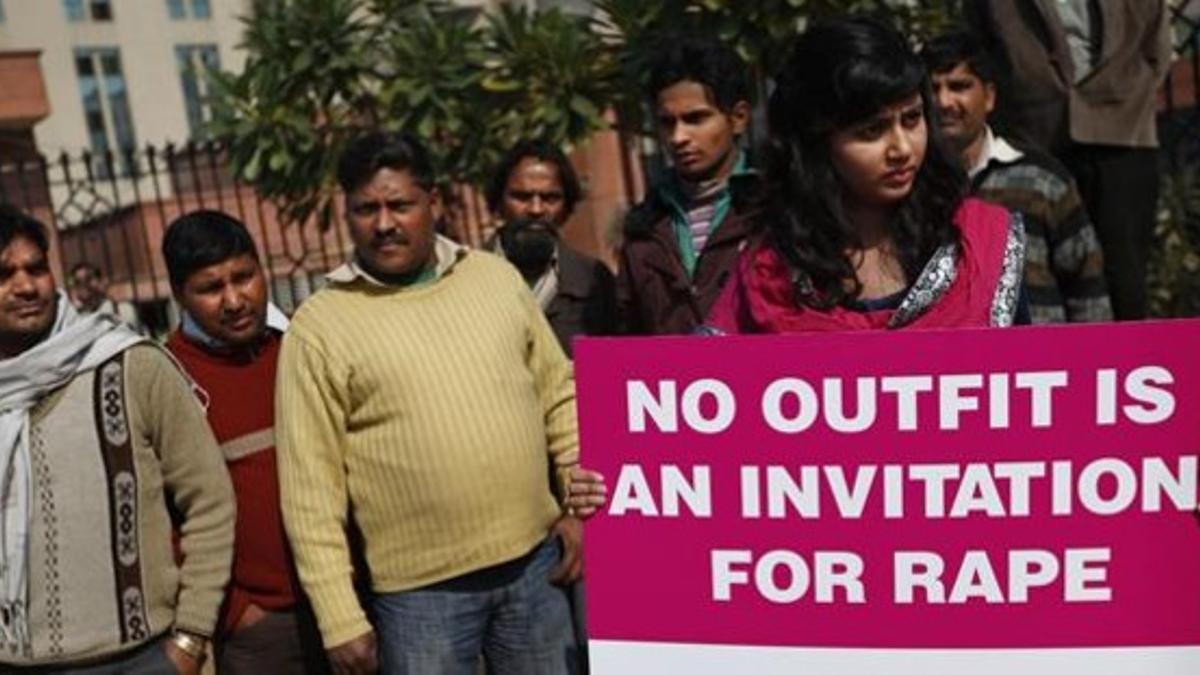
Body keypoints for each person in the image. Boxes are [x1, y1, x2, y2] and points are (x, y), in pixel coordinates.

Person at [275, 131, 587, 675]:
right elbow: (309, 487)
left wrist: (580, 507)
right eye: (366, 209)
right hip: (419, 598)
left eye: (400, 205)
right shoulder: (319, 327)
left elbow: (559, 394)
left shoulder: (493, 280)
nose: (385, 223)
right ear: (347, 215)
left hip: (536, 570)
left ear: (434, 203)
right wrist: (338, 615)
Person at [0, 202, 234, 673]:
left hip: (144, 657)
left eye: (36, 268)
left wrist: (190, 638)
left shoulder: (130, 366)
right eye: (4, 274)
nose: (26, 286)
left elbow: (210, 501)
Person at [706, 17, 1026, 334]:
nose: (901, 148)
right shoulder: (770, 266)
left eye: (912, 119)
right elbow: (706, 375)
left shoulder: (984, 245)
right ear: (817, 140)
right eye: (872, 130)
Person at [162, 210, 328, 675]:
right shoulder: (166, 378)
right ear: (180, 295)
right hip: (261, 631)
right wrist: (238, 612)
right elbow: (164, 519)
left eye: (244, 277)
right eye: (212, 288)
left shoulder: (302, 348)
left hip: (346, 605)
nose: (235, 300)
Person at [965, 0, 1172, 320]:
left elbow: (1156, 46)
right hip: (1034, 131)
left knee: (1124, 277)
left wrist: (1131, 95)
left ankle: (1122, 362)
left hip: (1122, 132)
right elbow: (981, 46)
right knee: (1030, 276)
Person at [921, 30, 1112, 324]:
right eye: (933, 89)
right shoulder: (909, 187)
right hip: (952, 365)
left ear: (989, 96)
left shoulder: (1042, 180)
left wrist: (1091, 359)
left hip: (1041, 364)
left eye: (959, 86)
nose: (944, 101)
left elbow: (1086, 285)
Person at [615, 36, 763, 335]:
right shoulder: (644, 227)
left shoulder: (780, 209)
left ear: (738, 118)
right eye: (667, 122)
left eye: (696, 119)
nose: (678, 137)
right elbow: (626, 339)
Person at [485, 140, 616, 357]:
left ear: (567, 206)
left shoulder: (594, 280)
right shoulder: (464, 278)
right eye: (522, 197)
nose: (536, 209)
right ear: (498, 202)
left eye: (550, 198)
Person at [67, 261, 145, 332]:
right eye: (77, 282)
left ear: (101, 281)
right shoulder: (76, 319)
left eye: (88, 278)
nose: (84, 285)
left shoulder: (124, 310)